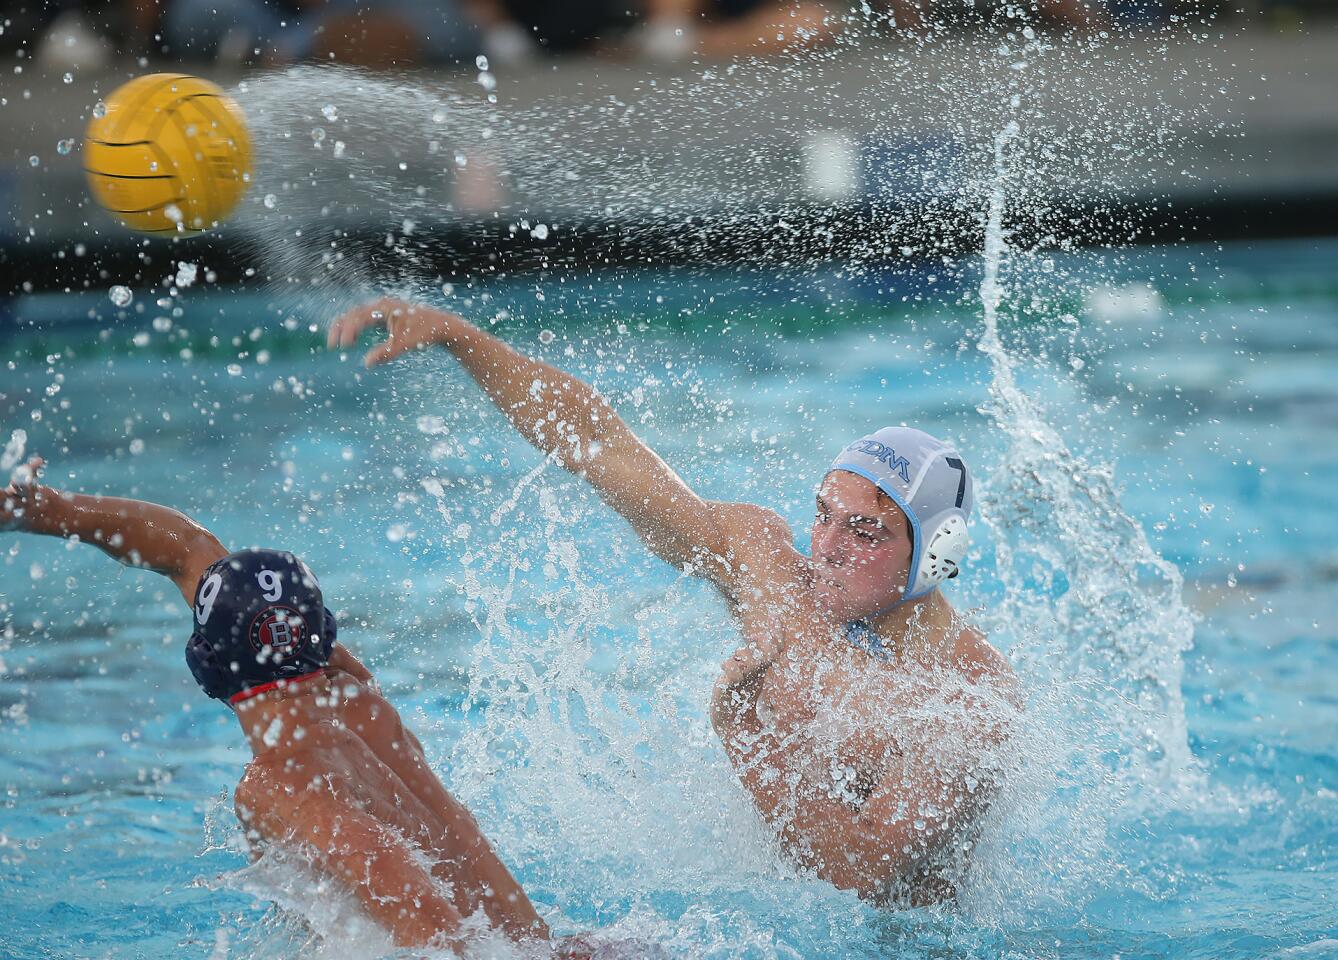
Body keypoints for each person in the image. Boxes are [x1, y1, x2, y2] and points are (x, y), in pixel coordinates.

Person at [325, 298, 1022, 906]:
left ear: (935, 554)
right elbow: (598, 442)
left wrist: (748, 738)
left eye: (863, 530)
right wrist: (460, 338)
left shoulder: (966, 703)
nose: (826, 548)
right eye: (822, 515)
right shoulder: (772, 575)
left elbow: (862, 876)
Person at [0, 457, 572, 954]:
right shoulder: (362, 706)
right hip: (543, 944)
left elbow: (416, 906)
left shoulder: (279, 783)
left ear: (207, 664)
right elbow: (184, 548)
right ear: (323, 642)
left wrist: (52, 512)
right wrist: (50, 513)